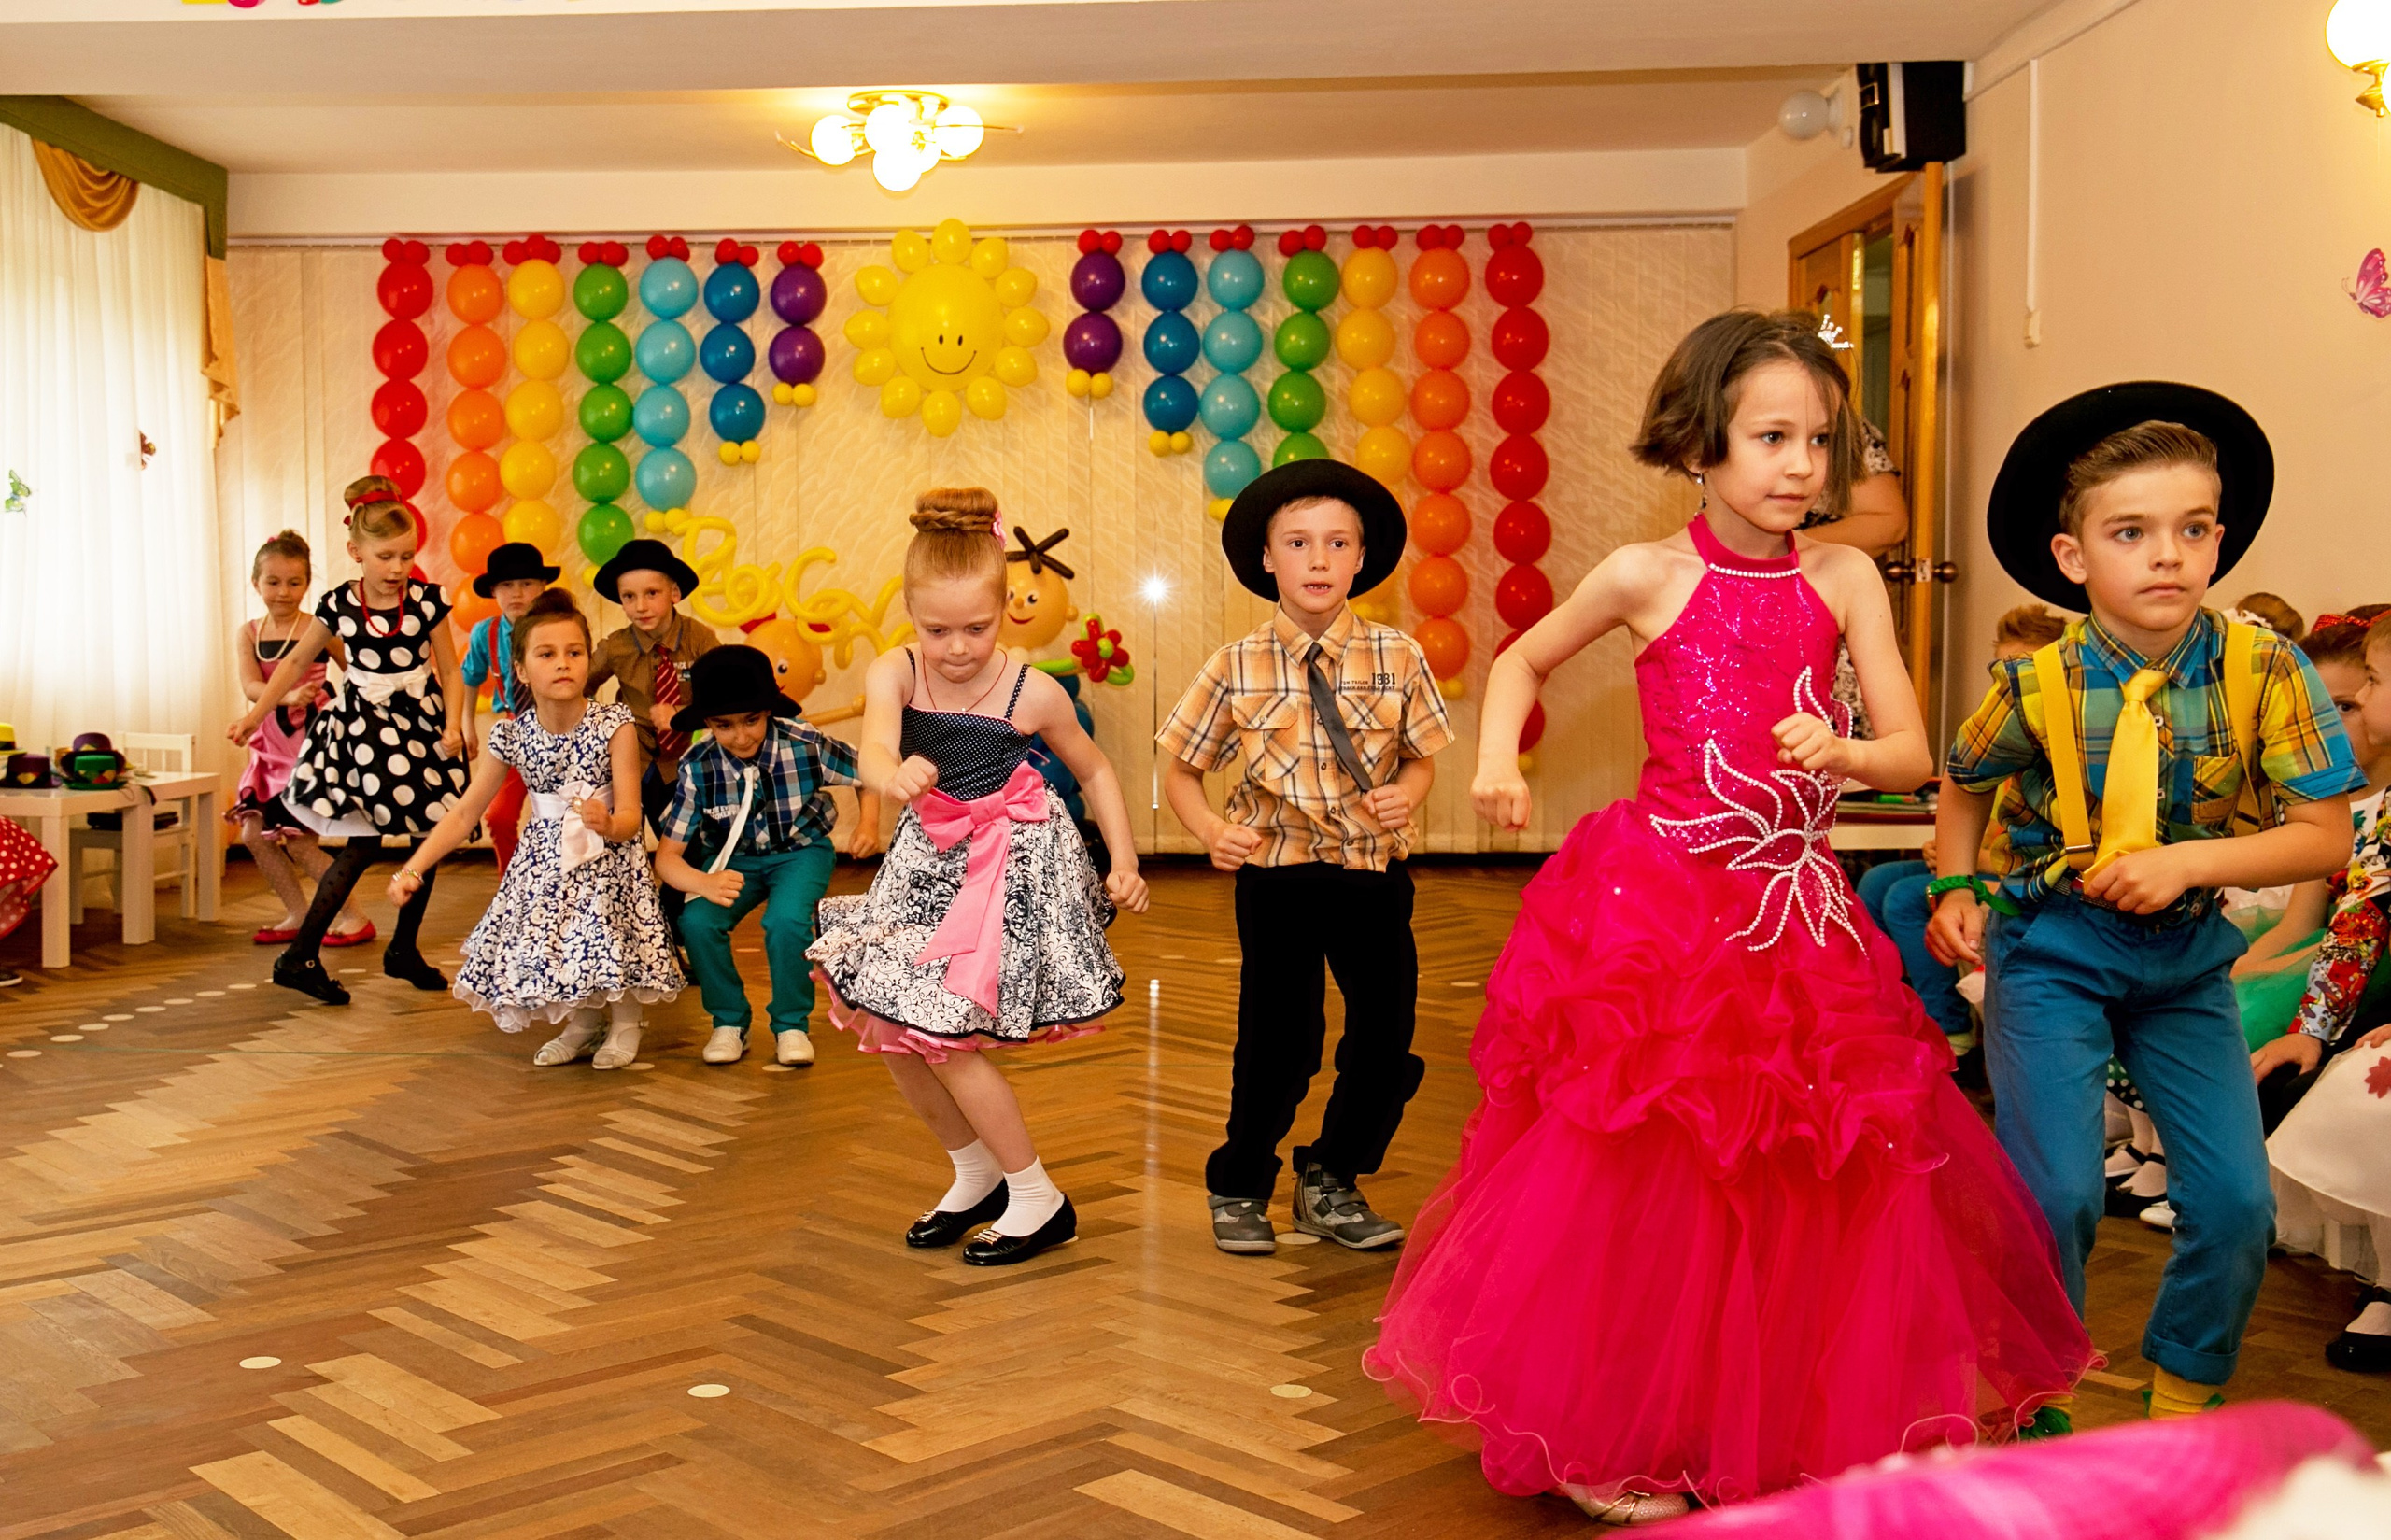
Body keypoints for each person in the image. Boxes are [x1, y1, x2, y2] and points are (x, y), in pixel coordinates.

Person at [1367, 310, 2091, 1523]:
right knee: (1655, 1174)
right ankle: (1628, 1422)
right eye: (1772, 436)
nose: (1802, 465)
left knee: (1814, 1172)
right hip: (1667, 910)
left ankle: (1791, 1412)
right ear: (1703, 440)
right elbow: (1522, 662)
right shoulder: (1647, 574)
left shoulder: (1846, 575)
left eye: (1820, 439)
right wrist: (1497, 760)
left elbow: (1915, 756)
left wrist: (1846, 747)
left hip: (1801, 915)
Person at [1928, 386, 2364, 1422]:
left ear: (2218, 537)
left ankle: (2182, 1393)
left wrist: (2188, 864)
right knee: (2059, 1193)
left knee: (2234, 1203)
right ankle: (2031, 1387)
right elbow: (1961, 776)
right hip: (2054, 953)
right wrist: (1952, 878)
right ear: (2074, 556)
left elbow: (2324, 835)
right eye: (2131, 532)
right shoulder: (2034, 683)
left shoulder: (2267, 671)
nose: (2166, 554)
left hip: (2183, 964)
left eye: (2192, 528)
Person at [809, 487, 1148, 1266]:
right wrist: (891, 777)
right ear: (909, 614)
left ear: (1006, 610)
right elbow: (874, 753)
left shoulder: (1034, 691)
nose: (957, 647)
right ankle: (975, 1174)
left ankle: (1039, 1197)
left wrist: (1122, 863)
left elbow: (1095, 771)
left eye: (977, 627)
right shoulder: (895, 671)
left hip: (1010, 867)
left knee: (944, 1034)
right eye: (937, 629)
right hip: (925, 861)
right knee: (890, 1024)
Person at [1157, 459, 1453, 1257]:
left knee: (1386, 1038)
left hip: (1372, 878)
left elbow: (1421, 756)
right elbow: (1180, 765)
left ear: (1362, 559)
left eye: (1336, 543)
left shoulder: (1399, 655)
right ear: (1267, 558)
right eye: (1298, 542)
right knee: (1280, 1038)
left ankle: (1332, 1176)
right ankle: (1241, 1182)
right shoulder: (1235, 664)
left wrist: (1410, 793)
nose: (1318, 560)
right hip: (1278, 879)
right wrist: (1208, 827)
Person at [390, 589, 682, 1069]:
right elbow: (465, 814)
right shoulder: (512, 734)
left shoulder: (615, 724)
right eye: (546, 654)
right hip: (545, 860)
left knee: (609, 930)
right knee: (562, 940)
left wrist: (608, 823)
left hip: (608, 856)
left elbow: (633, 815)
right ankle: (584, 1022)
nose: (563, 664)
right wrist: (413, 869)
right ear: (522, 670)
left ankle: (627, 1022)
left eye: (574, 653)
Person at [227, 477, 471, 1006]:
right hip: (364, 735)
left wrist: (455, 725)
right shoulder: (338, 605)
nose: (397, 567)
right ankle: (303, 955)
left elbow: (450, 671)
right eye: (385, 556)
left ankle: (398, 948)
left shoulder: (428, 603)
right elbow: (292, 663)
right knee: (363, 843)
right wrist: (256, 714)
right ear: (355, 552)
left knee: (427, 838)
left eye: (407, 555)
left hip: (420, 729)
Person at [1856, 602, 2067, 1046]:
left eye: (2022, 668)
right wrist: (1948, 852)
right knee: (1877, 881)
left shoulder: (2061, 751)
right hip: (1988, 863)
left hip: (2031, 879)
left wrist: (1969, 859)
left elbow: (2040, 855)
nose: (2008, 682)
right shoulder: (1998, 739)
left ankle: (1947, 1025)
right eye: (2000, 667)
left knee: (1908, 898)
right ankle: (1885, 1007)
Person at [653, 645, 862, 1067]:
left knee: (785, 922)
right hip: (734, 860)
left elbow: (870, 772)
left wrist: (869, 825)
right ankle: (729, 1022)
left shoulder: (805, 743)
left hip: (801, 852)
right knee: (696, 921)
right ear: (707, 724)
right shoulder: (698, 765)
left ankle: (791, 1027)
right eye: (723, 725)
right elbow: (667, 858)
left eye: (752, 720)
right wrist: (704, 882)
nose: (742, 736)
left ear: (769, 711)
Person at [228, 529, 371, 949]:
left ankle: (353, 915)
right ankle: (298, 910)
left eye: (295, 582)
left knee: (302, 842)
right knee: (254, 835)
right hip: (270, 748)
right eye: (273, 582)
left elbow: (360, 672)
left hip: (309, 748)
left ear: (307, 584)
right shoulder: (249, 632)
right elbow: (252, 685)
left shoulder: (318, 628)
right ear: (256, 583)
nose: (283, 592)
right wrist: (284, 696)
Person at [586, 538, 719, 946]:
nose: (640, 605)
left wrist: (682, 715)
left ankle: (672, 926)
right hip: (632, 761)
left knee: (683, 847)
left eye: (651, 594)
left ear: (674, 593)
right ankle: (632, 935)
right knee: (623, 848)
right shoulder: (616, 646)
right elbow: (580, 689)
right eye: (629, 597)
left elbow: (723, 699)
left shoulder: (700, 640)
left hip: (680, 766)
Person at [457, 542, 558, 876]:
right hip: (515, 732)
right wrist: (467, 724)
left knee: (561, 816)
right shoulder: (485, 633)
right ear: (494, 591)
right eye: (506, 585)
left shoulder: (558, 627)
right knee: (498, 816)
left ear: (542, 587)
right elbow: (469, 676)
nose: (517, 593)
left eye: (527, 583)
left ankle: (562, 884)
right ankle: (511, 884)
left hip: (559, 730)